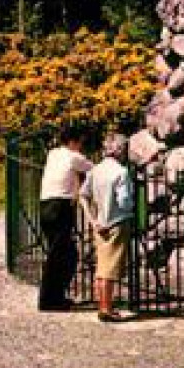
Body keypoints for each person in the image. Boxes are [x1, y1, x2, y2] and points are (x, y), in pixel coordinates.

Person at [81, 134, 136, 323]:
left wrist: (92, 220)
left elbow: (83, 195)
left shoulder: (95, 170)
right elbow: (124, 202)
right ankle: (106, 308)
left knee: (102, 266)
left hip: (100, 223)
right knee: (110, 268)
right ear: (120, 150)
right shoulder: (121, 172)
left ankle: (102, 304)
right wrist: (132, 205)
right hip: (117, 222)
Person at [37, 126, 93, 311]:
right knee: (58, 255)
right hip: (60, 206)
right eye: (80, 143)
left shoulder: (53, 154)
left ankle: (57, 295)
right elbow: (94, 168)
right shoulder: (73, 157)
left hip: (46, 204)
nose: (81, 147)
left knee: (65, 253)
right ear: (73, 142)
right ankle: (48, 300)